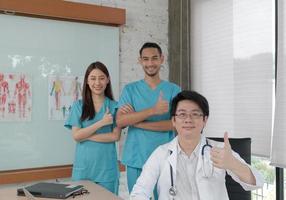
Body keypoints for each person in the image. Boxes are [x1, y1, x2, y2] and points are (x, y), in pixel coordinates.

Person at [130, 90, 264, 200]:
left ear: (205, 120)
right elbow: (140, 191)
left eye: (195, 114)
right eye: (182, 114)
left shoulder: (220, 151)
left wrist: (233, 164)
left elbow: (256, 182)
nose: (188, 119)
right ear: (174, 120)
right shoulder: (161, 153)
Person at [116, 42, 181, 195]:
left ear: (162, 59)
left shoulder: (174, 90)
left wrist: (136, 121)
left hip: (165, 158)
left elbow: (175, 124)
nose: (150, 63)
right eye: (145, 59)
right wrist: (153, 110)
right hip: (136, 157)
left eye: (154, 58)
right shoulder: (130, 90)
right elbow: (120, 121)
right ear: (140, 61)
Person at [64, 61, 121, 194]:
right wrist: (101, 123)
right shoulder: (79, 106)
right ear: (87, 82)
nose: (97, 83)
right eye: (93, 78)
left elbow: (115, 136)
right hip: (83, 170)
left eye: (101, 78)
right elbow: (76, 136)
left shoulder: (115, 106)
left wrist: (86, 135)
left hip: (107, 171)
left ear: (108, 80)